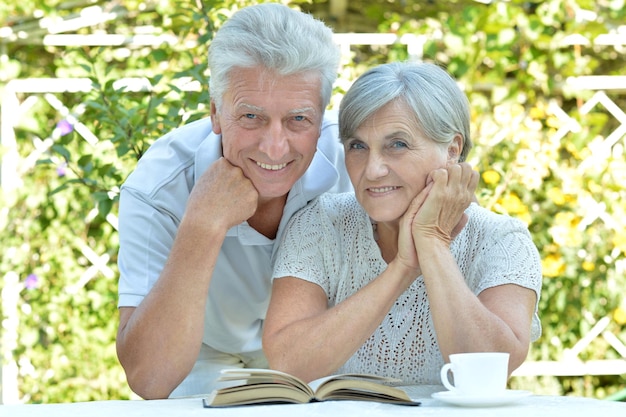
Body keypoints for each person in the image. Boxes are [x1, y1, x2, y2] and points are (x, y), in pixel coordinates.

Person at [115, 3, 352, 399]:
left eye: (298, 120)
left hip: (313, 351)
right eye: (251, 117)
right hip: (200, 357)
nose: (275, 148)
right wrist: (202, 225)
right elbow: (150, 379)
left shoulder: (356, 163)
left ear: (323, 115)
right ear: (216, 114)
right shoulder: (157, 187)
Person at [263, 61, 542, 385]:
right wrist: (403, 268)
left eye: (397, 144)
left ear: (452, 150)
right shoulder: (321, 223)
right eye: (358, 146)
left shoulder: (501, 240)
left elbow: (487, 370)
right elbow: (287, 363)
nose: (373, 169)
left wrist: (433, 243)